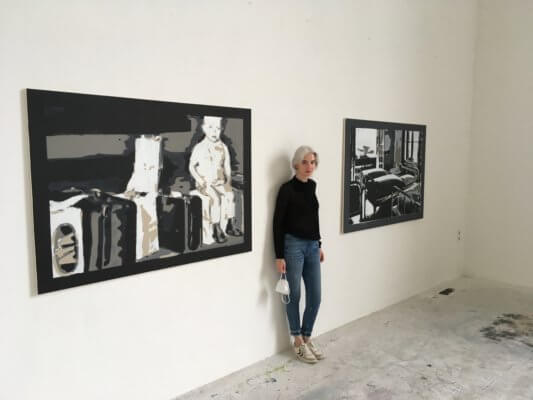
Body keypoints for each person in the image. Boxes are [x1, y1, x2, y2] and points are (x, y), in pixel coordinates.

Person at [273, 145, 325, 364]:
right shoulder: (287, 189)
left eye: (312, 162)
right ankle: (297, 341)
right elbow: (278, 224)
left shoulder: (312, 186)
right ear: (296, 164)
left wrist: (319, 244)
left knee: (316, 296)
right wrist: (279, 256)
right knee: (294, 296)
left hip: (312, 246)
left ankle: (307, 336)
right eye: (305, 162)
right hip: (293, 246)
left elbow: (313, 218)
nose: (309, 166)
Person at [189, 116, 243, 243]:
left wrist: (228, 180)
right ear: (204, 128)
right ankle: (216, 228)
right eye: (210, 128)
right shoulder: (199, 147)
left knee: (230, 195)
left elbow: (227, 166)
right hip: (205, 183)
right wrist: (200, 180)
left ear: (221, 129)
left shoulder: (223, 147)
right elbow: (191, 166)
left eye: (217, 128)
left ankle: (230, 225)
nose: (214, 132)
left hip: (219, 181)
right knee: (215, 199)